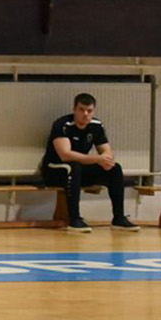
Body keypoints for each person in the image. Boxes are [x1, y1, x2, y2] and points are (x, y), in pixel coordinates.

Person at [40, 93, 138, 233]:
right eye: (81, 110)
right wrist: (97, 159)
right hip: (54, 169)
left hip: (79, 170)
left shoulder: (96, 125)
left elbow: (107, 152)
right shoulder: (62, 125)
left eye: (89, 110)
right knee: (73, 167)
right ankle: (74, 219)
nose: (85, 114)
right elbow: (65, 155)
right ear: (74, 109)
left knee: (115, 168)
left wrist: (106, 161)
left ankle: (119, 218)